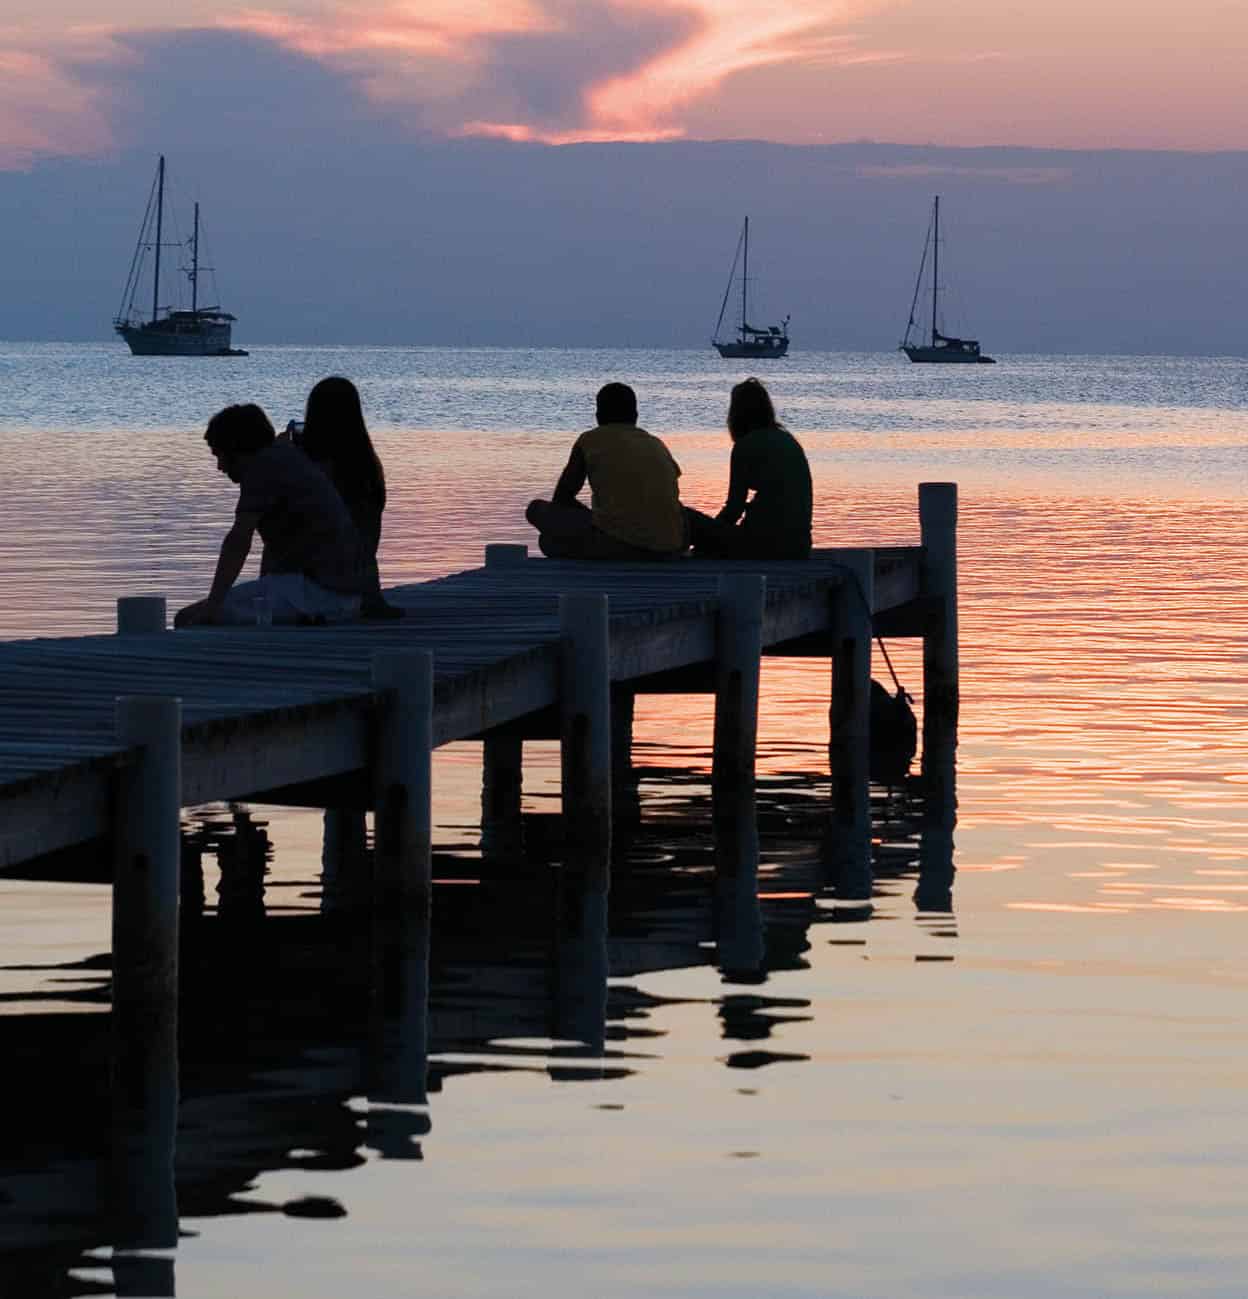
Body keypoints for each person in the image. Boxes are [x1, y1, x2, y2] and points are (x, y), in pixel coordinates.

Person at [174, 403, 364, 627]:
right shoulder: (284, 455)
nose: (220, 467)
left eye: (220, 456)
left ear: (236, 449)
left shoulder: (262, 468)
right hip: (342, 595)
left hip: (315, 596)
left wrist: (213, 606)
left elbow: (238, 540)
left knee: (187, 619)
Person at [525, 382, 686, 560]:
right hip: (669, 546)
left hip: (619, 545)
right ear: (636, 415)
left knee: (540, 521)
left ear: (598, 415)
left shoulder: (589, 440)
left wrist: (590, 517)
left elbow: (562, 499)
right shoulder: (655, 443)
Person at [299, 375, 401, 619]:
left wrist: (287, 457)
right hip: (361, 582)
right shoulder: (367, 466)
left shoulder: (313, 467)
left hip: (322, 584)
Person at [685, 377, 812, 560]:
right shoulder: (788, 440)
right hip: (799, 547)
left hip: (760, 546)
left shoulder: (746, 445)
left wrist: (709, 534)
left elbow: (734, 509)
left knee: (686, 518)